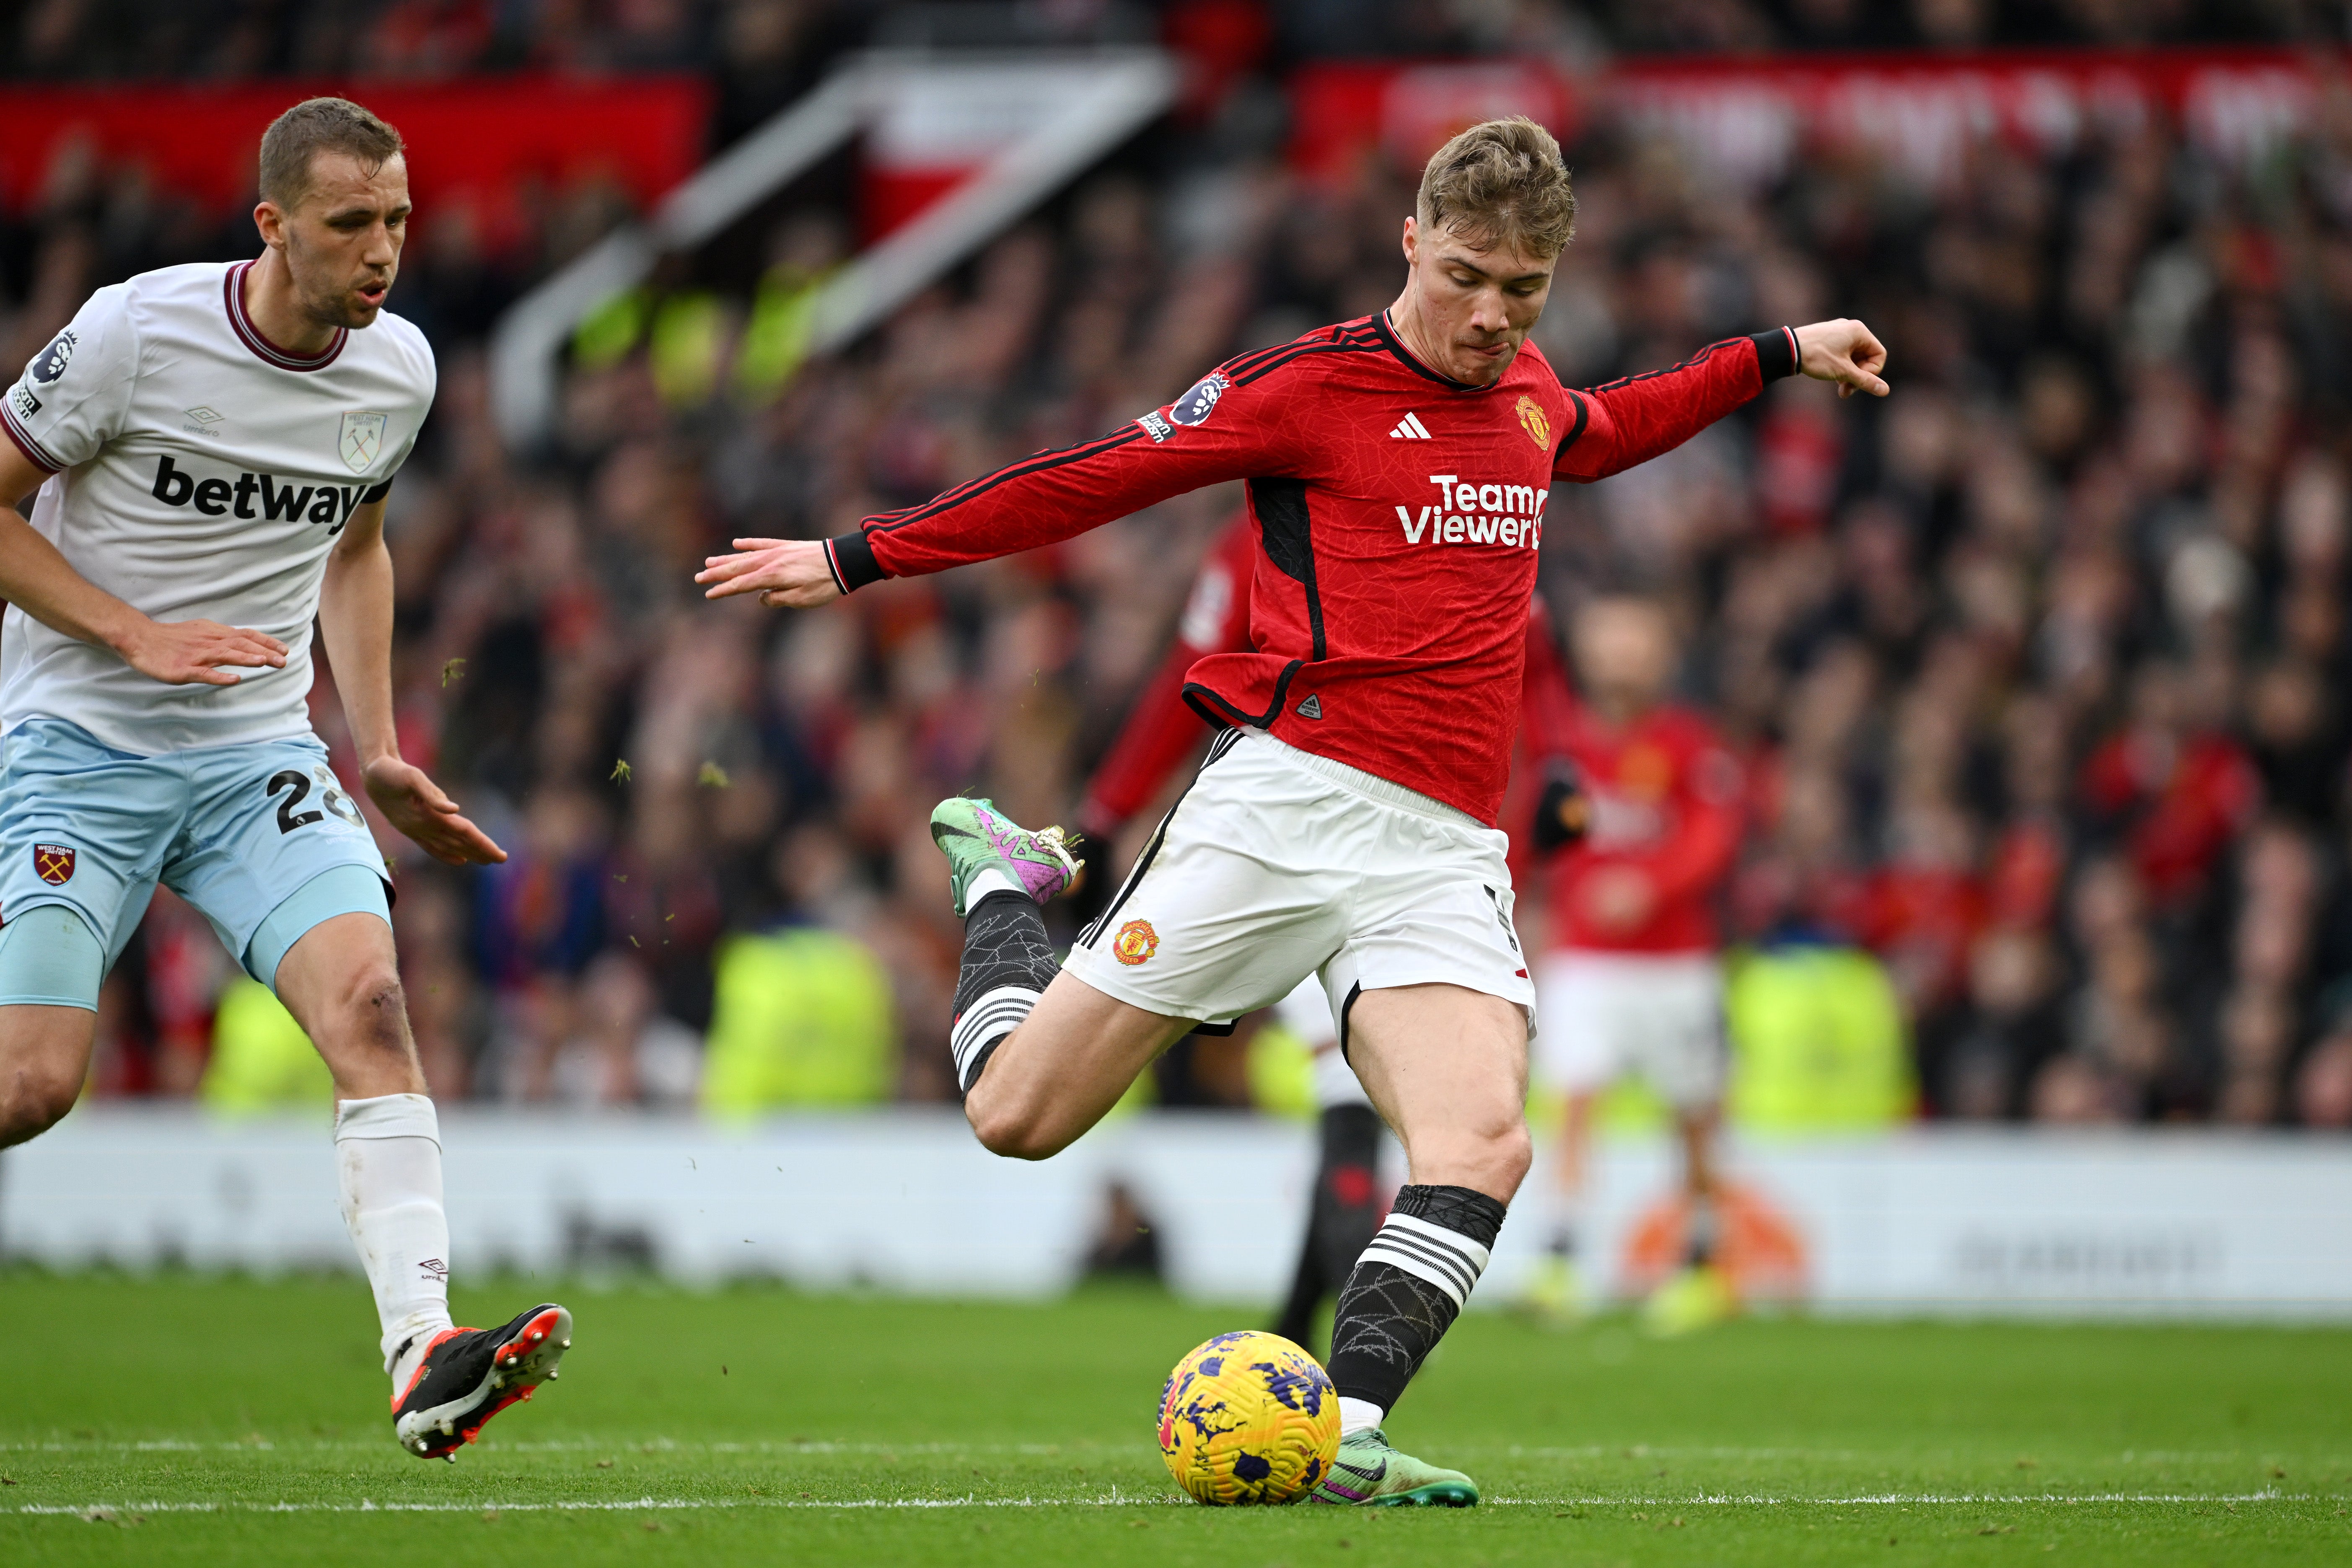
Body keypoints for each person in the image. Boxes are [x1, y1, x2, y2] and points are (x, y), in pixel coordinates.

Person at [703, 115, 1890, 1505]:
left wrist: (1779, 351)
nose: (1490, 316)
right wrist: (858, 557)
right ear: (1410, 240)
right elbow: (1089, 476)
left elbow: (1609, 425)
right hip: (1284, 805)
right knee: (1018, 1119)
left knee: (1483, 1144)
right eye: (1464, 277)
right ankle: (1009, 888)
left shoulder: (1527, 392)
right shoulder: (1303, 389)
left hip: (1443, 849)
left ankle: (1351, 1428)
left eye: (1524, 291)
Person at [0, 98, 568, 1461]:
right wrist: (133, 632)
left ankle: (422, 1350)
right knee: (31, 1085)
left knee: (372, 1003)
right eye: (350, 224)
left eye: (400, 221)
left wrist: (374, 745)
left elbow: (354, 550)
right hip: (79, 738)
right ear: (271, 227)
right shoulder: (136, 333)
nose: (384, 252)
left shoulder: (401, 372)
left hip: (255, 748)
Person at [1072, 511, 1386, 1358]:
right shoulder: (1448, 511)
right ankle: (1335, 1371)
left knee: (1351, 1114)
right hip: (1362, 845)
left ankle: (1307, 1350)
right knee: (1351, 1113)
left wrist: (1105, 817)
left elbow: (1187, 671)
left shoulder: (1260, 533)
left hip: (1303, 842)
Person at [1517, 596, 1746, 1336]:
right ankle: (1562, 1258)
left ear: (1660, 657)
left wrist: (1653, 883)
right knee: (1576, 1100)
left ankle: (1703, 1263)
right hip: (1587, 960)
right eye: (1610, 647)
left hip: (1677, 964)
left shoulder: (1687, 744)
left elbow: (1715, 837)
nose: (1621, 662)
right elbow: (1528, 835)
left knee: (1694, 1113)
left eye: (1635, 647)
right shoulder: (1564, 746)